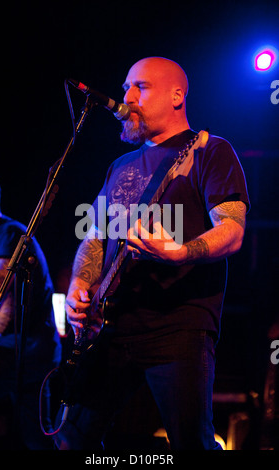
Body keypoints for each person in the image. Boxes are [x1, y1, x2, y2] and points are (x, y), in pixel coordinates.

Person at [56, 57, 250, 450]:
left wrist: (181, 252)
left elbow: (232, 230)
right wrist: (81, 283)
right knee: (72, 438)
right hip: (111, 325)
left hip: (177, 327)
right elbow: (94, 235)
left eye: (139, 87)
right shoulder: (120, 165)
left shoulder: (209, 150)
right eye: (126, 87)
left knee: (190, 442)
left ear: (177, 95)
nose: (126, 97)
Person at [0, 170, 61, 449]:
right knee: (35, 434)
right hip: (6, 345)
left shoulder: (9, 234)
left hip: (26, 349)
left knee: (35, 434)